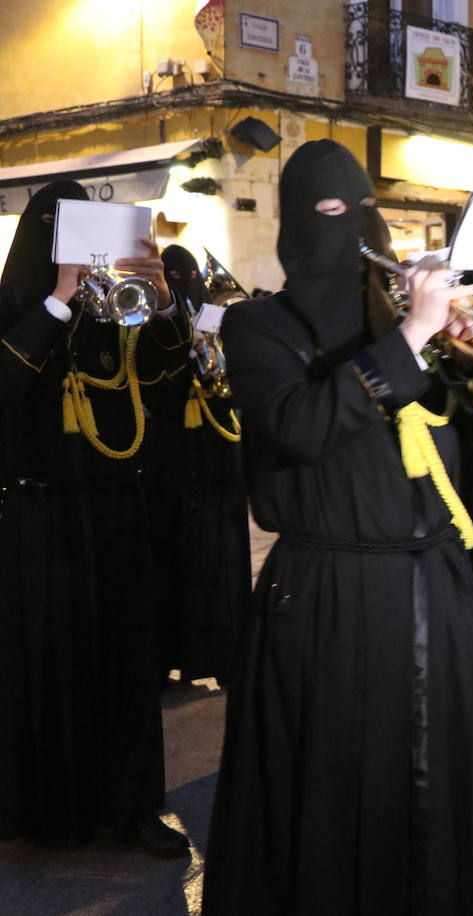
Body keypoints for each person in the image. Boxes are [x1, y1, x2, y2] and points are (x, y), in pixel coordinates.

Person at [203, 140, 473, 914]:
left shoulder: (405, 325)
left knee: (431, 787)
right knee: (334, 785)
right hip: (328, 596)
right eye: (330, 210)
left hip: (434, 591)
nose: (348, 229)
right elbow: (300, 426)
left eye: (360, 209)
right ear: (295, 221)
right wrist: (410, 337)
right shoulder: (257, 327)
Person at [0, 181, 193, 857]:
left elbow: (171, 383)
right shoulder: (14, 306)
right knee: (52, 668)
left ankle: (133, 808)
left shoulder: (117, 311)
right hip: (37, 519)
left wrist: (165, 305)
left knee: (126, 664)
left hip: (115, 511)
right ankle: (51, 811)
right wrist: (57, 299)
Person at [159, 244, 252, 679]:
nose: (184, 281)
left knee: (221, 552)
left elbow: (233, 386)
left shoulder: (227, 325)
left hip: (218, 454)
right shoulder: (154, 324)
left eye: (187, 274)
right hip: (175, 457)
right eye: (171, 275)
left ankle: (226, 653)